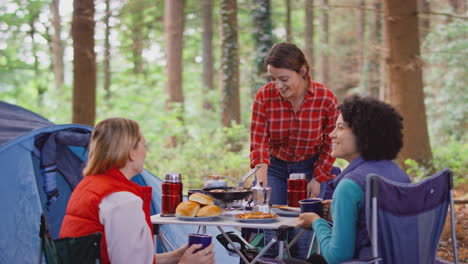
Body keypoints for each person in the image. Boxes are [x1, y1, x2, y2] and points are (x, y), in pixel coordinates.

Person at [59, 118, 215, 264]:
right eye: (143, 145)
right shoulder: (122, 200)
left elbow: (130, 258)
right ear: (131, 152)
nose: (146, 153)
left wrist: (175, 256)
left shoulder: (89, 186)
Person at [248, 42, 339, 259]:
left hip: (311, 168)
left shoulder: (325, 98)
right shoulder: (264, 96)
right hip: (275, 167)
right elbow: (259, 142)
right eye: (273, 79)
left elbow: (331, 143)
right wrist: (261, 185)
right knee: (270, 227)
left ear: (302, 72)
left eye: (284, 79)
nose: (278, 85)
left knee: (302, 233)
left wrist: (318, 178)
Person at [296, 95, 411, 264]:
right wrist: (337, 213)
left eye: (340, 128)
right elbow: (377, 228)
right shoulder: (398, 174)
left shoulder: (350, 186)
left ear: (363, 132)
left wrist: (316, 222)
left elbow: (337, 257)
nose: (331, 135)